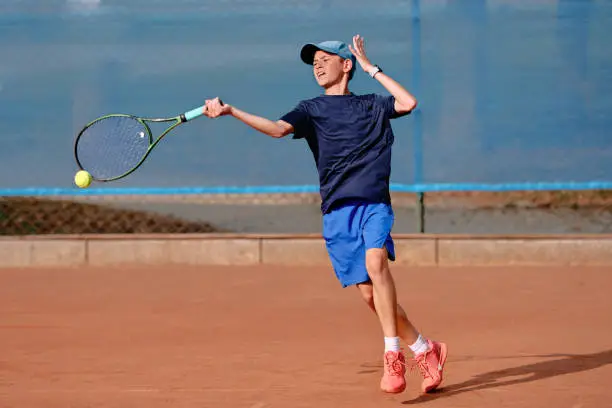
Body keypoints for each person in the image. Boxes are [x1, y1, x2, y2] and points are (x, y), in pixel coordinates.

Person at [203, 34, 447, 395]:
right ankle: (425, 349)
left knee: (377, 263)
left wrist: (371, 68)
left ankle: (392, 356)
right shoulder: (310, 109)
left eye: (325, 59)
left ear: (346, 65)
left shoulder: (372, 104)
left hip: (373, 204)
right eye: (313, 62)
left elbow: (408, 103)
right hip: (336, 212)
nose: (317, 66)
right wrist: (231, 111)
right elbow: (277, 129)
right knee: (372, 297)